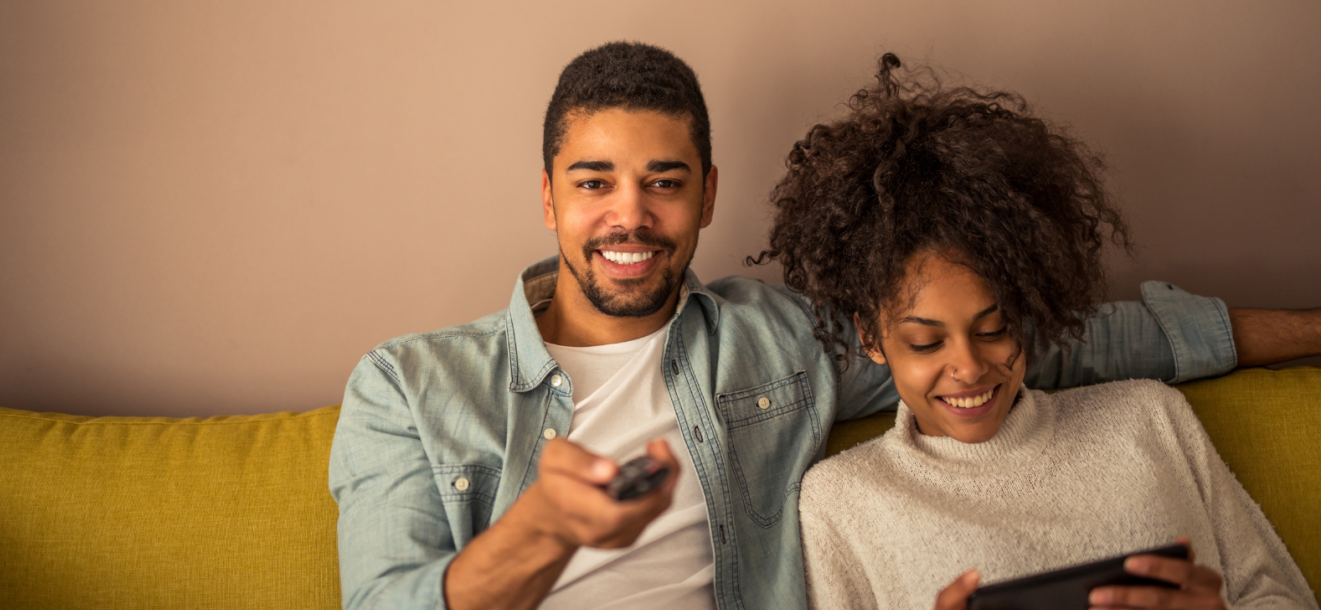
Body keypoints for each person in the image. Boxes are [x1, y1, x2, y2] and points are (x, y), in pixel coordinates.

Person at [328, 42, 1321, 610]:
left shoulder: (773, 344)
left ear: (706, 196)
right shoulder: (408, 387)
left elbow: (1052, 340)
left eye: (662, 184)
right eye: (594, 184)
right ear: (548, 198)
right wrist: (541, 530)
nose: (629, 217)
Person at [769, 55, 1320, 610]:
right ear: (870, 337)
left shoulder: (1150, 419)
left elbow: (1281, 597)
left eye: (994, 328)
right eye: (926, 342)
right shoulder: (840, 503)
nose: (969, 367)